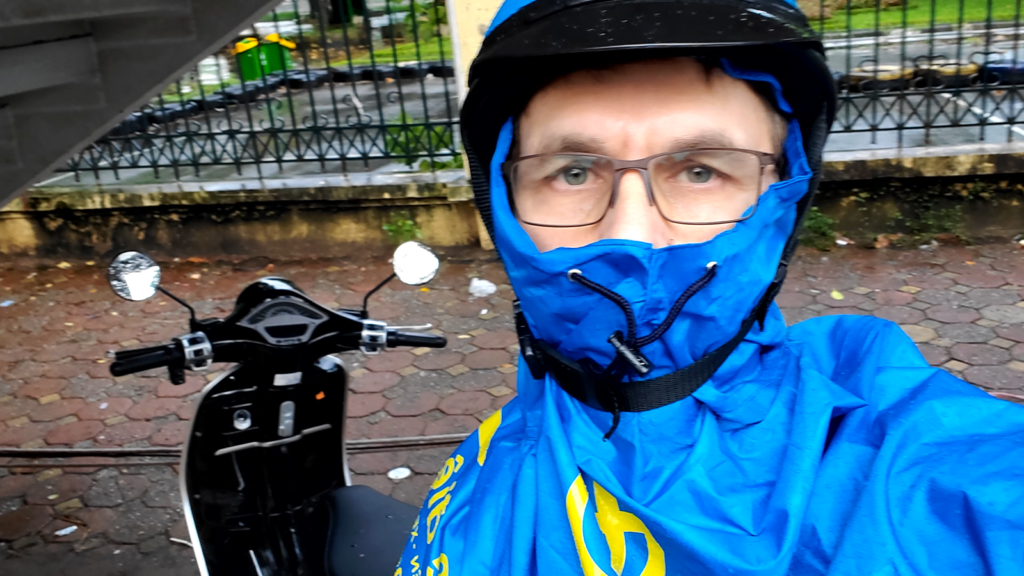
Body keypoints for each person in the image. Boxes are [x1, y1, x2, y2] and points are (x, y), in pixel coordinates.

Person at [398, 0, 1024, 574]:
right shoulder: (491, 446)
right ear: (504, 203)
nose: (632, 231)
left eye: (701, 171)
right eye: (575, 171)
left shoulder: (897, 454)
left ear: (782, 200)